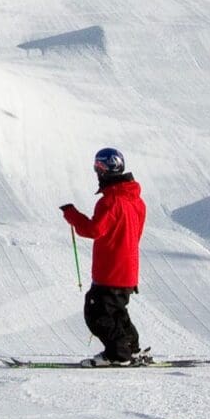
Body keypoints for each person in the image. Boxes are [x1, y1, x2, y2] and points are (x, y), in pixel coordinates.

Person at [61, 147, 149, 366]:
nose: (97, 171)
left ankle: (118, 355)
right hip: (127, 270)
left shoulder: (111, 201)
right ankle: (131, 349)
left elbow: (93, 230)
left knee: (96, 312)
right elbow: (135, 234)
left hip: (111, 270)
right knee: (116, 311)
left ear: (111, 168)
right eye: (95, 166)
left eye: (100, 167)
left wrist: (72, 215)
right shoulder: (135, 200)